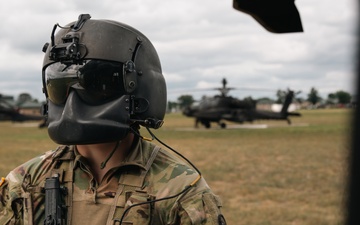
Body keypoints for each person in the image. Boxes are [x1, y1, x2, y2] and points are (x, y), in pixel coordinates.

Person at [0, 14, 226, 225]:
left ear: (139, 90)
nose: (72, 103)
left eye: (96, 85)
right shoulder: (26, 183)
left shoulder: (178, 190)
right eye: (60, 86)